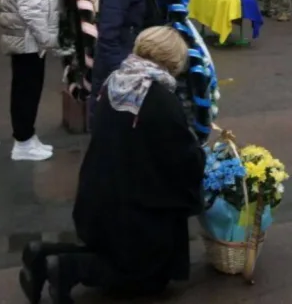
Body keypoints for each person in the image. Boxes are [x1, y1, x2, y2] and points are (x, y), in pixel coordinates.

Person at [20, 27, 204, 304]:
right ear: (171, 61)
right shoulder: (158, 97)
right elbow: (183, 159)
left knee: (111, 252)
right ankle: (69, 269)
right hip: (130, 214)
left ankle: (43, 254)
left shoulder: (117, 80)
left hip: (95, 201)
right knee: (150, 277)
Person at [0, 0, 60, 162]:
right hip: (29, 42)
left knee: (28, 90)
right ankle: (23, 142)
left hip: (29, 41)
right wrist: (45, 38)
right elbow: (30, 10)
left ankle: (27, 137)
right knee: (26, 92)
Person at [90, 0, 168, 114]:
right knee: (111, 119)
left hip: (131, 59)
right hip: (119, 65)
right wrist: (123, 71)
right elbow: (108, 36)